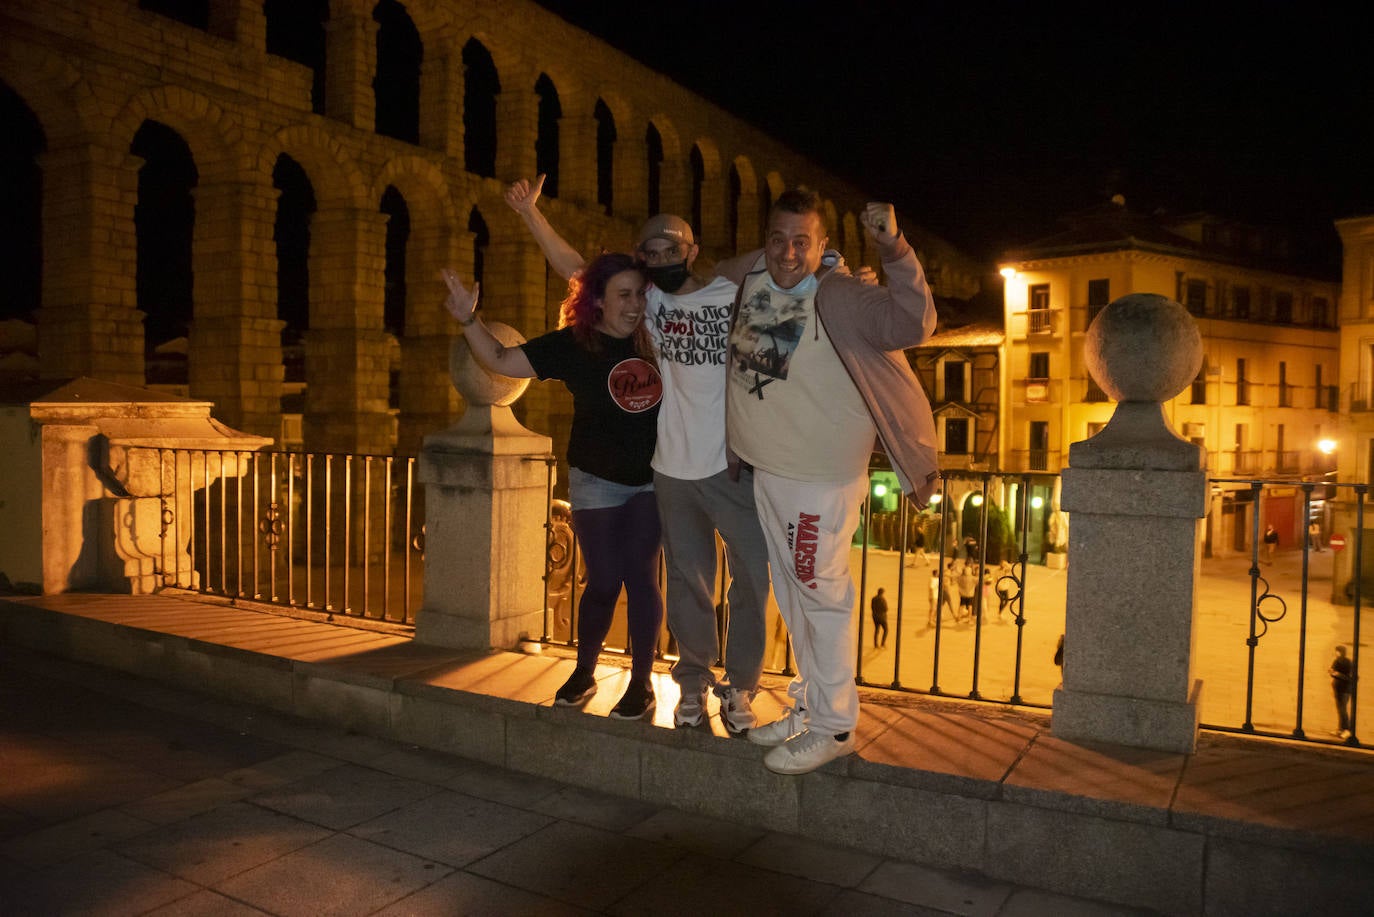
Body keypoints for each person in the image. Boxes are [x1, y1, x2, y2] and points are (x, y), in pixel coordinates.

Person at [502, 175, 771, 734]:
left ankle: (741, 687)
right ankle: (692, 687)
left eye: (673, 249)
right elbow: (578, 270)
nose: (662, 259)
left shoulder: (729, 291)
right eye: (652, 252)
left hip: (732, 462)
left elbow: (780, 266)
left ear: (693, 250)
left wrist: (833, 266)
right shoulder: (646, 301)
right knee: (687, 584)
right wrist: (531, 214)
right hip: (670, 467)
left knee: (752, 577)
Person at [723, 188, 939, 775]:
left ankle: (835, 725)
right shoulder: (753, 282)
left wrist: (892, 246)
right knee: (795, 599)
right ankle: (810, 704)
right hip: (770, 472)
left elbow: (914, 321)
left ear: (824, 247)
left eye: (802, 242)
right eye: (777, 239)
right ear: (763, 241)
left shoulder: (841, 294)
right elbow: (707, 273)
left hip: (818, 482)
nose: (788, 253)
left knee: (822, 598)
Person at [441, 254, 664, 721]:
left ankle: (641, 683)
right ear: (598, 301)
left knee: (642, 580)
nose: (634, 304)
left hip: (651, 480)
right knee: (602, 580)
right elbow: (500, 359)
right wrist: (467, 318)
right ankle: (585, 671)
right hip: (596, 480)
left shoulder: (657, 339)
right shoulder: (576, 344)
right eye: (623, 295)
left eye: (640, 294)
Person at [1330, 644, 1353, 739]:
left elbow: (1350, 678)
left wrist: (1337, 674)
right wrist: (1332, 672)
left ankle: (1347, 730)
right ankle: (1340, 729)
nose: (1336, 653)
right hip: (1337, 688)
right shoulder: (1336, 661)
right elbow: (1332, 671)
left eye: (1337, 651)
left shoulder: (1348, 663)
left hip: (1345, 690)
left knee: (1343, 710)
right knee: (1340, 710)